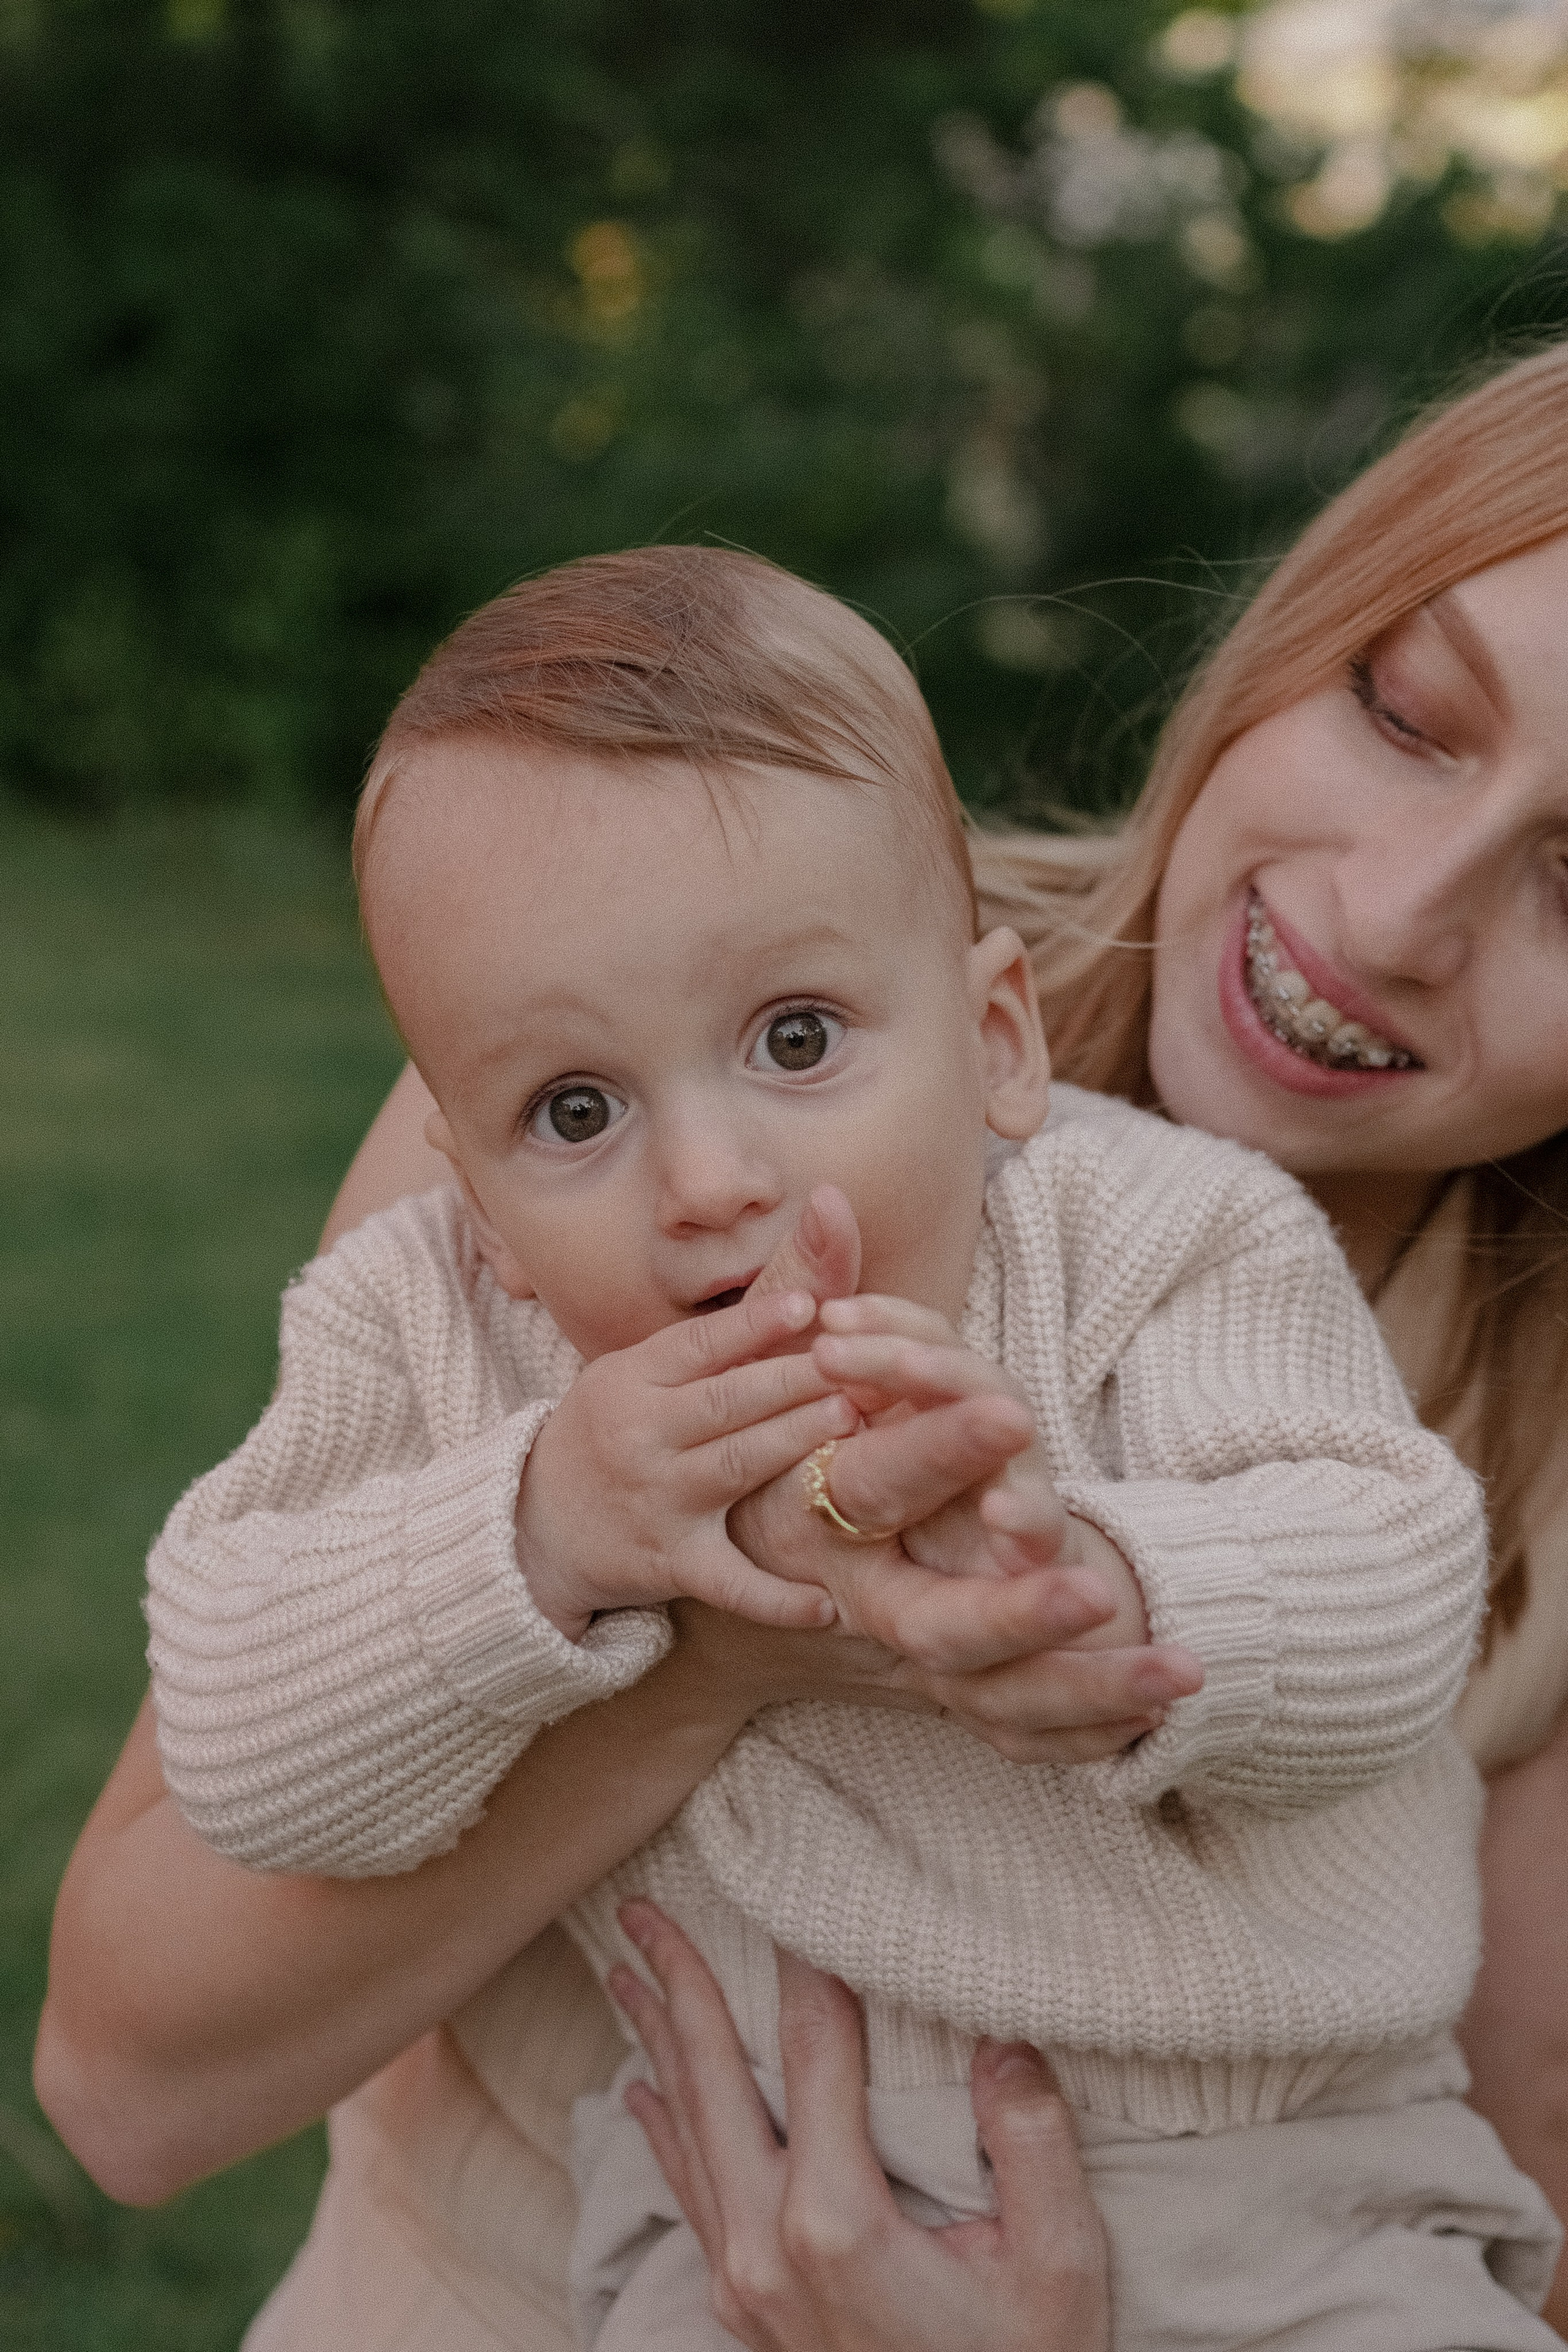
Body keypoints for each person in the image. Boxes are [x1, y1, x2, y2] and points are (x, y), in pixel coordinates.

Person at [33, 341, 1568, 2343]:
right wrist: (623, 1584)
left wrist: (1089, 1598)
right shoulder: (586, 1053)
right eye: (1405, 709)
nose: (1392, 913)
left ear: (992, 1037)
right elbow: (125, 2080)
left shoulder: (1376, 1383)